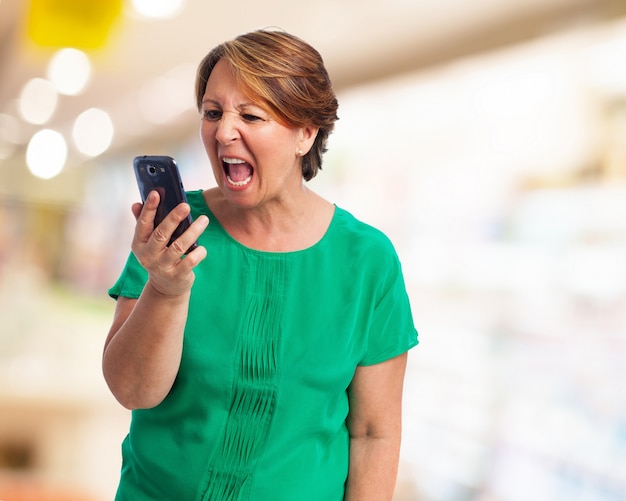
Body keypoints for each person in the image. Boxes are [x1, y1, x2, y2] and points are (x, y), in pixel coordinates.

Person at [103, 28, 418, 501]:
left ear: (305, 133)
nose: (224, 131)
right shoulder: (172, 231)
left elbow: (374, 433)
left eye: (250, 115)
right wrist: (165, 289)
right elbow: (132, 391)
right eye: (213, 113)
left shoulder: (366, 261)